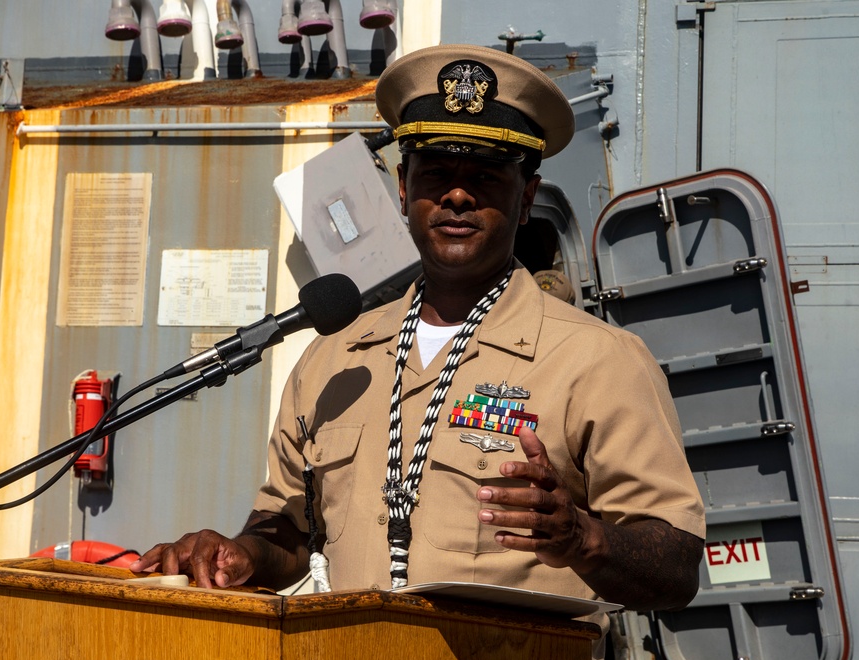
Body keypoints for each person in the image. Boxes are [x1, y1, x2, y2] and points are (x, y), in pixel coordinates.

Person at [132, 44, 704, 615]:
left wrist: (582, 538)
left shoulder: (598, 360)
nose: (457, 194)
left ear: (526, 197)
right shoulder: (334, 360)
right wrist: (239, 555)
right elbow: (289, 533)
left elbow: (676, 569)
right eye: (437, 174)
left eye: (485, 176)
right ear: (404, 188)